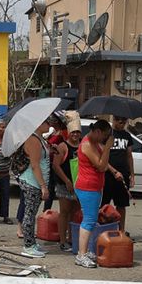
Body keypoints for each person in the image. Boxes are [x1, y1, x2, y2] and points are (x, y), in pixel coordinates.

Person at [74, 119, 113, 268]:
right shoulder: (87, 144)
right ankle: (81, 254)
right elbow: (101, 166)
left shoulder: (95, 143)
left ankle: (84, 251)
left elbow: (104, 163)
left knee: (91, 219)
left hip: (94, 186)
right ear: (97, 132)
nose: (105, 139)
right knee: (89, 220)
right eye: (104, 136)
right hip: (87, 187)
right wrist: (108, 147)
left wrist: (113, 170)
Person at [18, 119, 52, 259]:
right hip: (32, 182)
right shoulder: (33, 139)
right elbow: (34, 165)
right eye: (46, 122)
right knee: (29, 214)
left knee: (32, 213)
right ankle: (28, 246)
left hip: (37, 182)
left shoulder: (40, 139)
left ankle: (32, 243)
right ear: (38, 124)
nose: (49, 124)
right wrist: (43, 186)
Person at [52, 115, 82, 252]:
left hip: (78, 185)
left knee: (75, 213)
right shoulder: (62, 146)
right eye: (73, 132)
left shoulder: (83, 146)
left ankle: (71, 238)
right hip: (64, 185)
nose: (75, 135)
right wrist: (67, 181)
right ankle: (63, 240)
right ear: (69, 133)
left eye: (77, 132)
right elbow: (56, 165)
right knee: (64, 212)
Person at [102, 115, 135, 233]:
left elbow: (129, 155)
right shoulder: (107, 135)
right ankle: (103, 229)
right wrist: (113, 171)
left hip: (123, 175)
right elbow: (102, 157)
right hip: (108, 174)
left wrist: (132, 174)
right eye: (118, 119)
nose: (121, 122)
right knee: (104, 204)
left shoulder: (127, 136)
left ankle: (121, 230)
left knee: (121, 204)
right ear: (113, 119)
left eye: (124, 120)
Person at [43, 113, 68, 211]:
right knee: (50, 187)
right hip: (50, 161)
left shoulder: (63, 132)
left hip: (58, 163)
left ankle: (49, 209)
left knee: (54, 187)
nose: (50, 122)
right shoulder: (54, 132)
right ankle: (46, 209)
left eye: (52, 120)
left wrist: (57, 148)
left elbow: (65, 145)